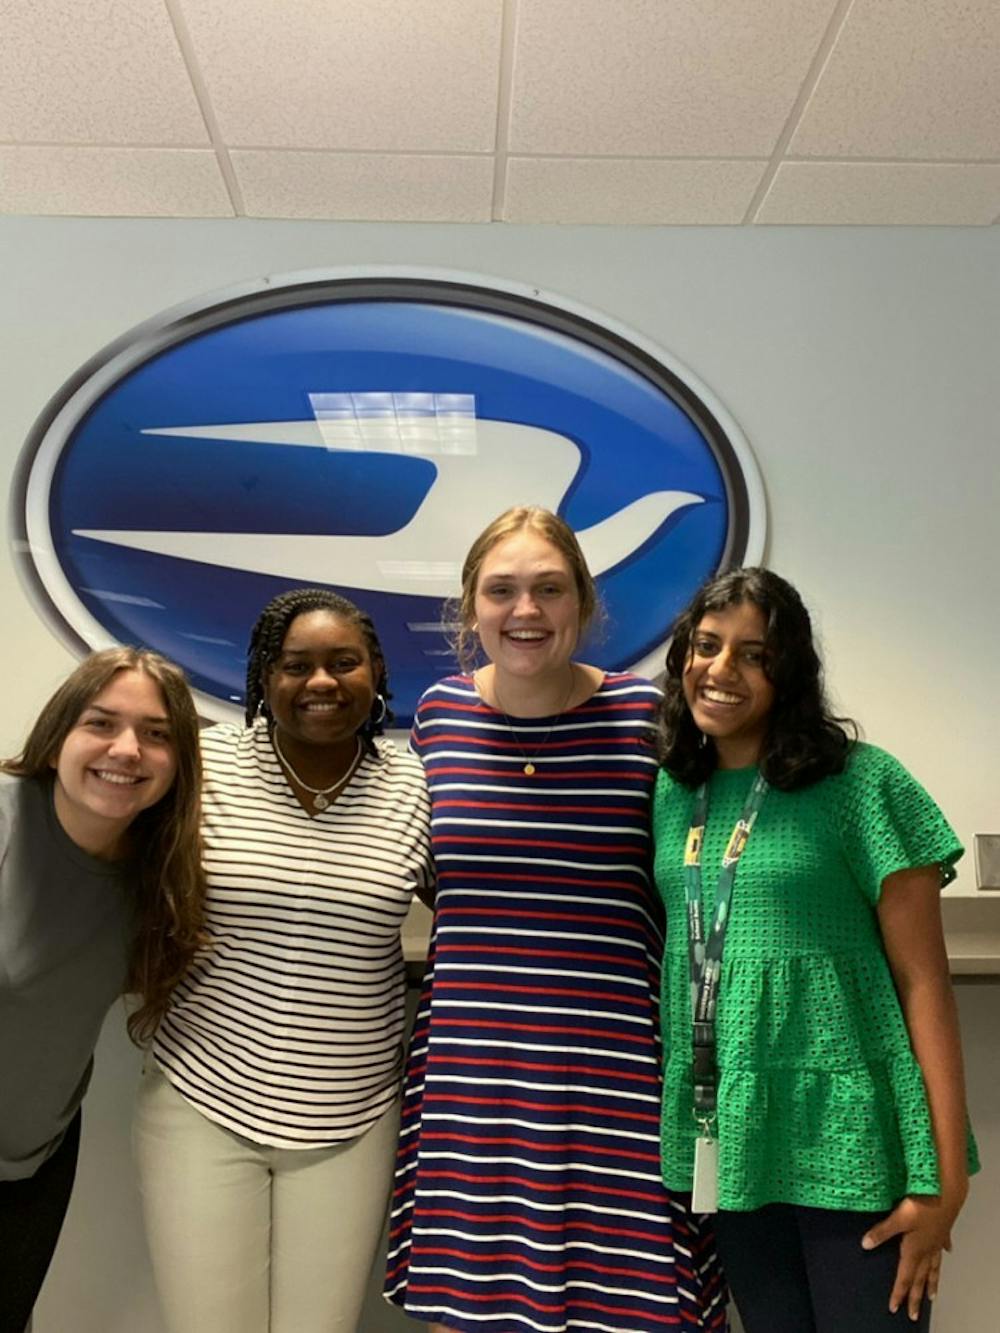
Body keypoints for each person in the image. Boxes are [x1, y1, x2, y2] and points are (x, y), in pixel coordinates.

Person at [386, 506, 726, 1332]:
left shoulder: (648, 718)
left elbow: (700, 883)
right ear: (471, 608)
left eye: (549, 588)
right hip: (475, 1078)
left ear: (584, 604)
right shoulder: (437, 717)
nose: (525, 610)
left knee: (639, 1304)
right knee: (469, 1306)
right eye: (501, 590)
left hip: (621, 1074)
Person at [653, 567, 977, 1333]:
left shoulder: (861, 783)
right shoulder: (672, 789)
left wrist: (946, 1179)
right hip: (733, 1138)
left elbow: (924, 981)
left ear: (789, 671)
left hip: (852, 1138)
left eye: (754, 654)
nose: (722, 669)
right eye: (707, 645)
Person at [134, 588, 432, 1333]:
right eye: (295, 665)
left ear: (377, 672)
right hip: (200, 1102)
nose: (321, 682)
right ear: (263, 678)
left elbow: (491, 911)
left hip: (351, 1118)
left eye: (343, 663)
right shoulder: (203, 765)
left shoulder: (417, 788)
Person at [0, 647, 204, 1333]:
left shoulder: (156, 880)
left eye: (156, 733)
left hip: (35, 1162)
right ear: (59, 733)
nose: (127, 749)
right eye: (102, 722)